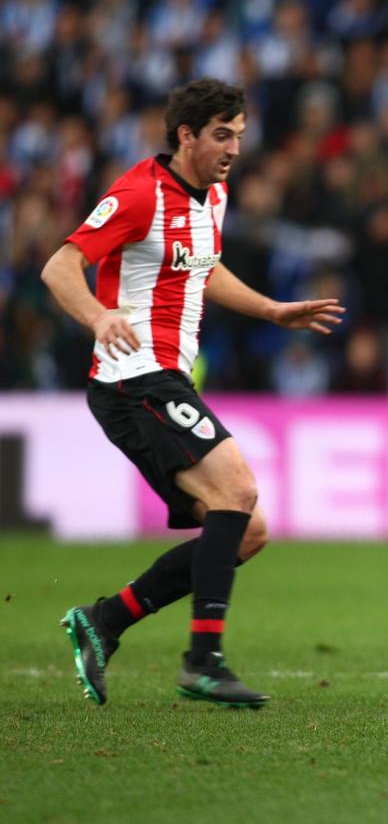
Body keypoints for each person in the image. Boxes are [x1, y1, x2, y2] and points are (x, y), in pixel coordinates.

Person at [41, 78, 344, 708]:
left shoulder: (214, 196)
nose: (235, 148)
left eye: (239, 135)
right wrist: (98, 316)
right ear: (186, 136)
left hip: (165, 376)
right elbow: (59, 265)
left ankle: (104, 620)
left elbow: (202, 268)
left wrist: (270, 309)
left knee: (248, 531)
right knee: (237, 491)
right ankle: (203, 662)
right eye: (222, 135)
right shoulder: (138, 194)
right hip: (132, 377)